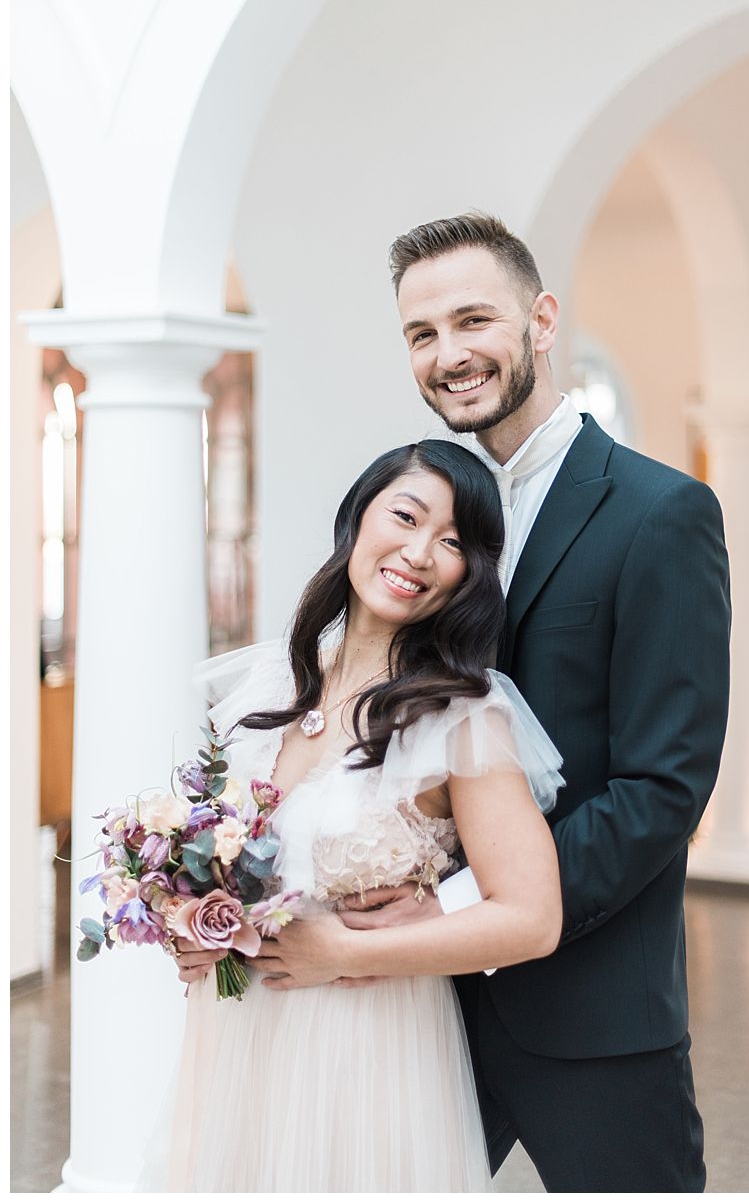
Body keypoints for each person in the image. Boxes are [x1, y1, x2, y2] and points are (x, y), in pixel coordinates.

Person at [209, 212, 731, 1192]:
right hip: (392, 1018)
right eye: (421, 332)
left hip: (585, 1005)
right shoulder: (423, 514)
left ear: (540, 319)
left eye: (472, 320)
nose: (448, 353)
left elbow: (664, 787)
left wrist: (443, 905)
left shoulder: (661, 513)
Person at [157, 440, 566, 1190]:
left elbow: (532, 917)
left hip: (360, 1049)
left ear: (470, 576)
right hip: (238, 1037)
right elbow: (211, 855)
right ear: (358, 517)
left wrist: (342, 952)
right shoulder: (268, 680)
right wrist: (189, 925)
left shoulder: (457, 714)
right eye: (405, 516)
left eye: (452, 543)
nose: (418, 552)